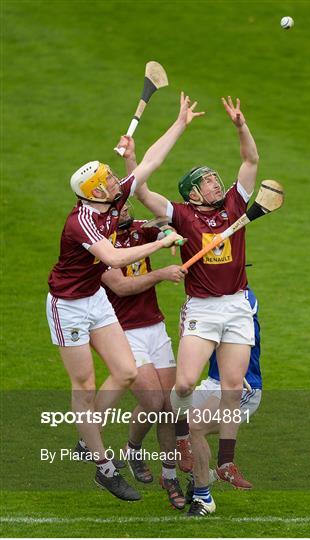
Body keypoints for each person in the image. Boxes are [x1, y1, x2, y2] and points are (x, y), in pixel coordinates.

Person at [46, 93, 203, 501]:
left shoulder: (112, 199)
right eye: (109, 181)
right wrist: (157, 247)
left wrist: (181, 122)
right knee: (84, 383)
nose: (118, 181)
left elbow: (150, 161)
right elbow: (113, 258)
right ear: (95, 192)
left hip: (94, 300)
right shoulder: (81, 223)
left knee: (128, 373)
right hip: (68, 306)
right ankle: (103, 466)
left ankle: (87, 436)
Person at [132, 96, 260, 516]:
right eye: (206, 181)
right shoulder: (182, 215)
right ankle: (185, 431)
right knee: (184, 384)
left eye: (215, 179)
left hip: (237, 307)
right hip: (203, 310)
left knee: (233, 389)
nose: (215, 183)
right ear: (191, 191)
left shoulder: (235, 206)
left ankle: (204, 478)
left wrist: (241, 126)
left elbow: (251, 162)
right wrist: (136, 158)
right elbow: (143, 191)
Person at [101, 202, 187, 510]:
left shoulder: (137, 229)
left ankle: (170, 475)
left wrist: (167, 230)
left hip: (155, 328)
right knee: (152, 401)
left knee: (169, 406)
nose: (124, 210)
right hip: (123, 332)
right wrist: (162, 273)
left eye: (125, 205)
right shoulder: (99, 243)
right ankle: (133, 449)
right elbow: (122, 287)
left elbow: (162, 222)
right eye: (117, 207)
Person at [184, 286, 262, 503]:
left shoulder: (245, 299)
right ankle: (202, 477)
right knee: (171, 417)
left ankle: (206, 486)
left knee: (195, 425)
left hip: (244, 389)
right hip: (212, 383)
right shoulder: (201, 298)